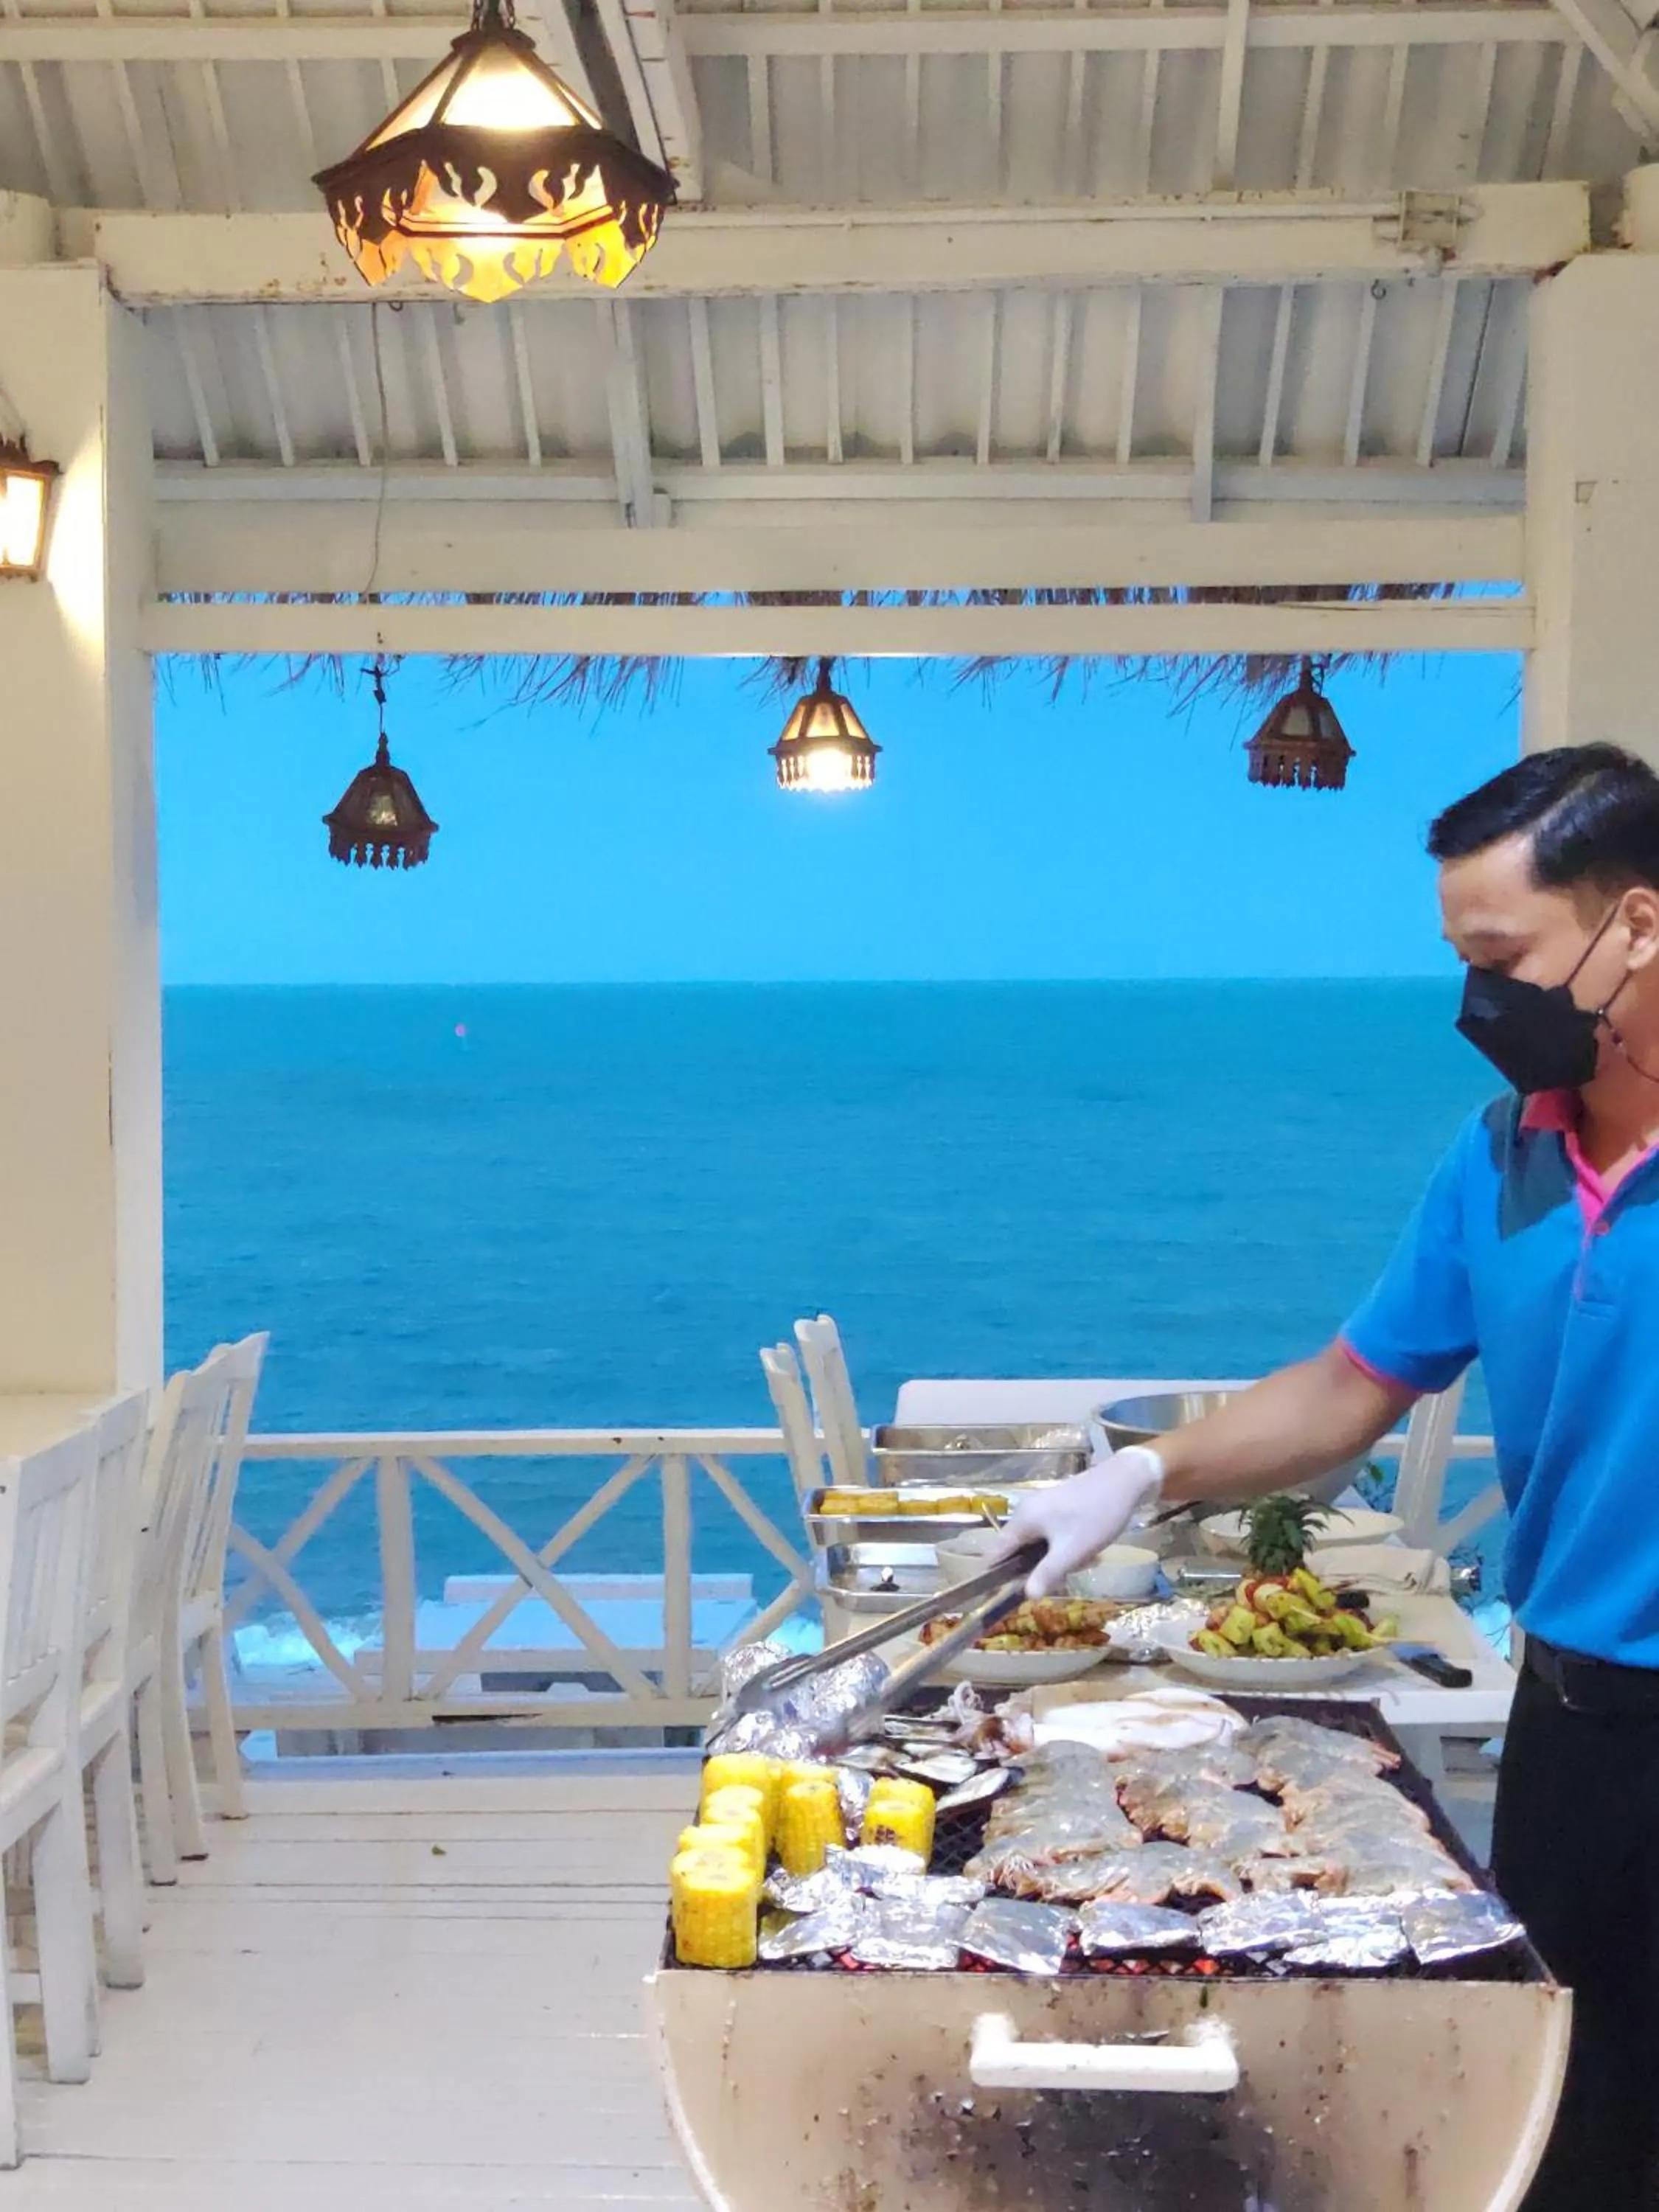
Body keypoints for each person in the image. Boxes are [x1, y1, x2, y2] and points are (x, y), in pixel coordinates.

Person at [998, 742, 1659, 2211]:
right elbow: (1353, 1387)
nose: (1479, 1004)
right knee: (1558, 2126)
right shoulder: (1500, 1158)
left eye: (1504, 958)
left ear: (1638, 926)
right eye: (1460, 961)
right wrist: (1142, 1471)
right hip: (1574, 1725)